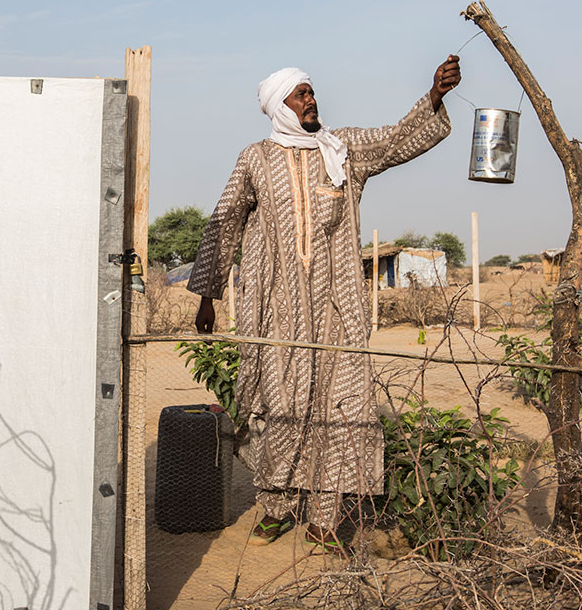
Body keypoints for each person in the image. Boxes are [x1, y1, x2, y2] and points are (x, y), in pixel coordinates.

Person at [187, 56, 462, 553]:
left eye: (312, 93)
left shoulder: (344, 148)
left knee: (341, 404)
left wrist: (435, 96)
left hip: (338, 307)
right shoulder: (255, 158)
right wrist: (209, 295)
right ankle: (275, 507)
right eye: (301, 95)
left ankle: (324, 517)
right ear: (280, 106)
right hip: (275, 307)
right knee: (279, 402)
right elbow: (225, 219)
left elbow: (398, 139)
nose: (311, 101)